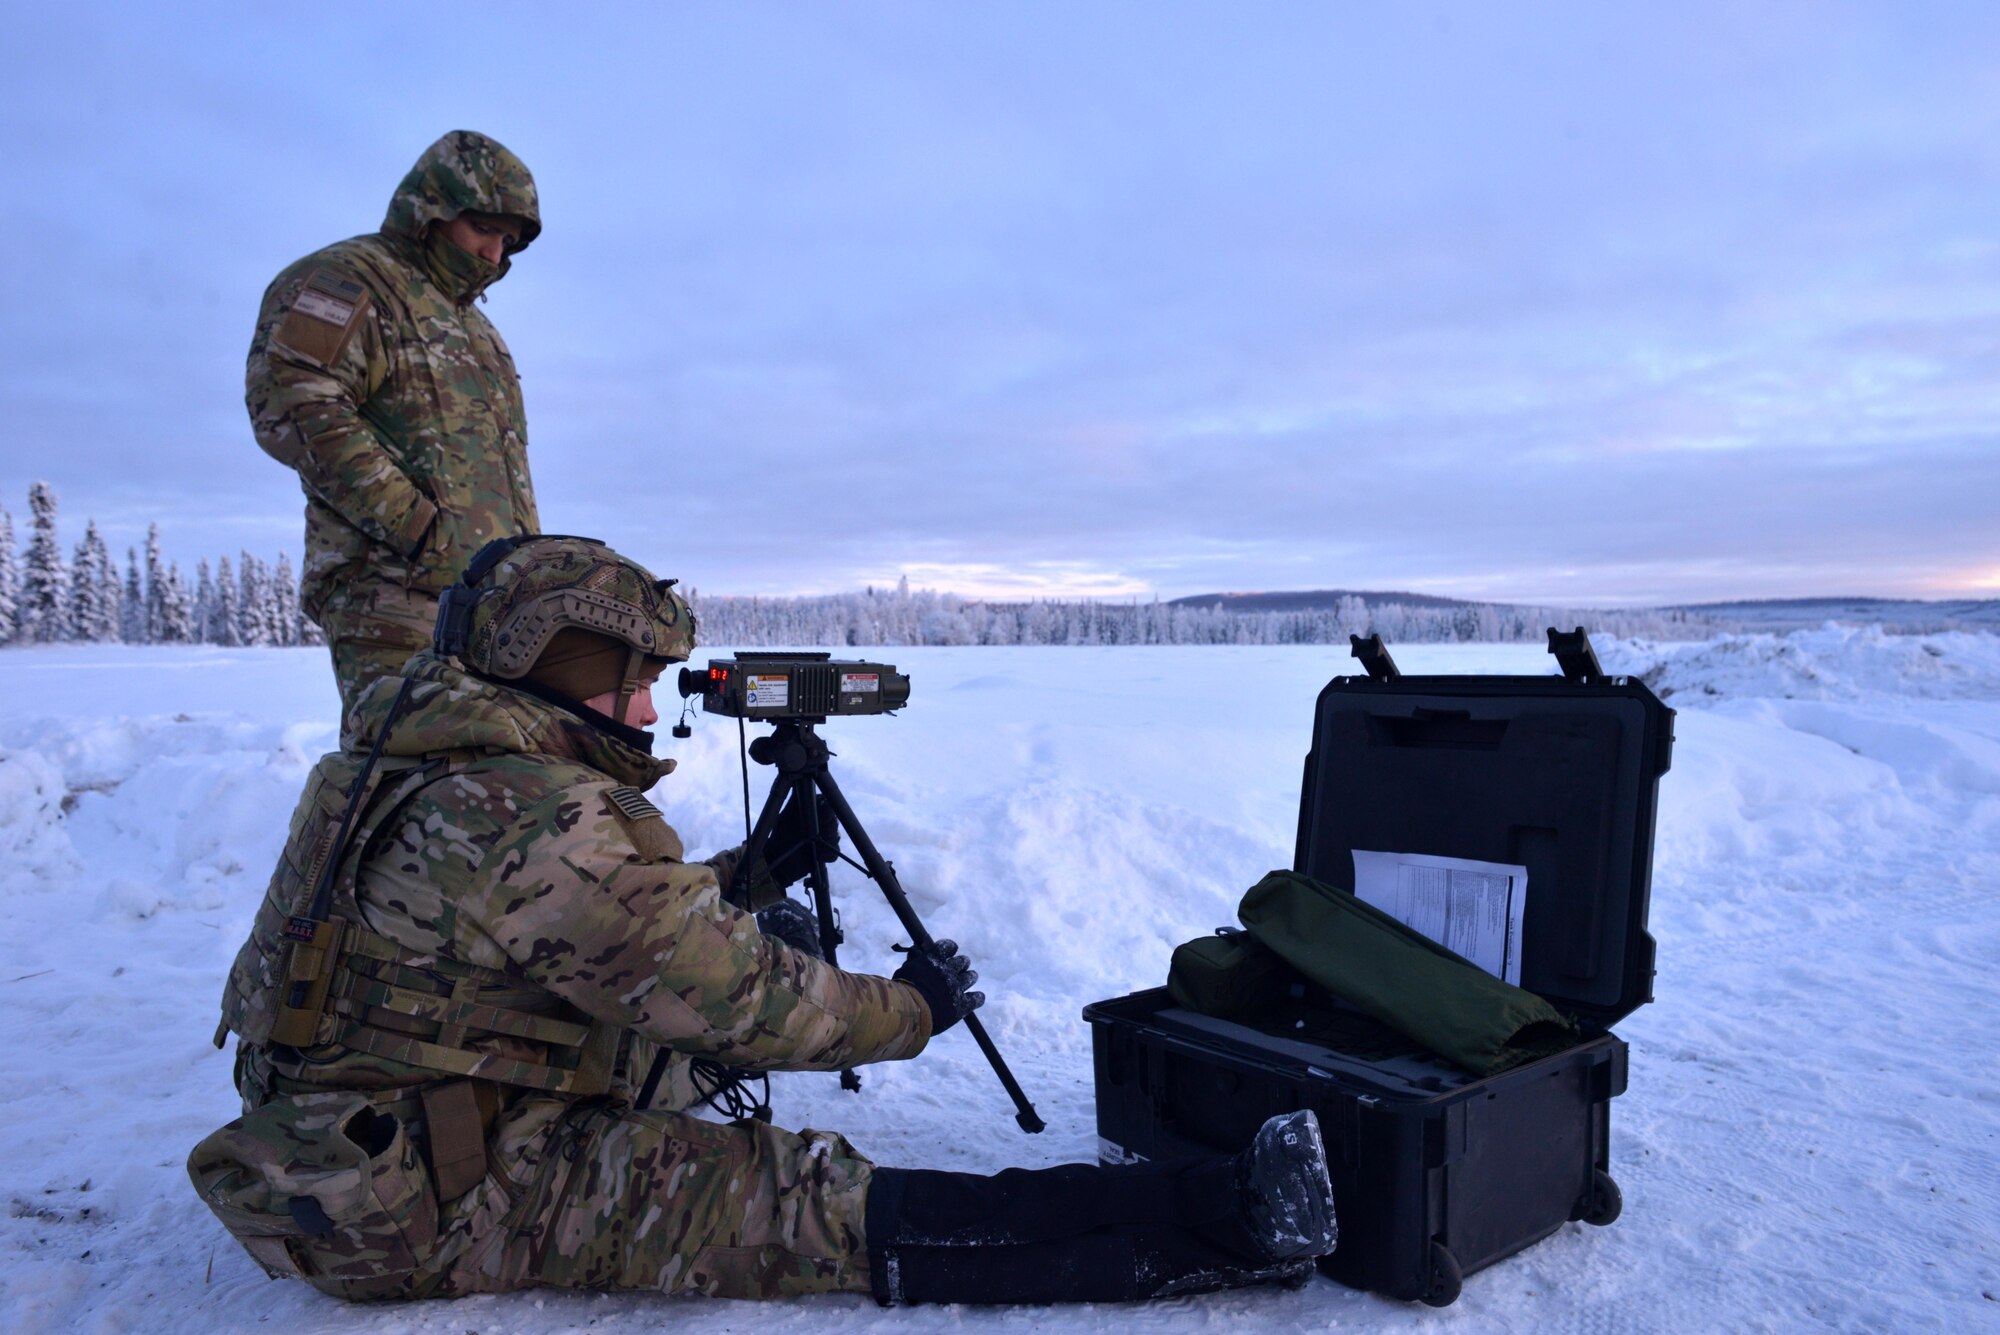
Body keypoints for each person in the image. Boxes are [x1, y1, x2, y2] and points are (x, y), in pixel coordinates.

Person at [189, 535, 1338, 1306]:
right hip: (426, 1194)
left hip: (361, 1117)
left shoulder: (398, 762)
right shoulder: (526, 808)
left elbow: (552, 939)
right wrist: (913, 1011)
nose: (648, 707)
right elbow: (742, 1003)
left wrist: (742, 876)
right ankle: (1217, 1219)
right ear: (555, 666)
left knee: (719, 995)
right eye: (629, 677)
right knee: (805, 1202)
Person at [245, 130, 541, 724]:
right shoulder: (354, 281)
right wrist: (418, 527)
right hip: (393, 595)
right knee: (407, 777)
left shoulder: (477, 331)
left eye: (507, 241)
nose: (493, 255)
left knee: (494, 786)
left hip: (489, 608)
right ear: (432, 208)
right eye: (483, 229)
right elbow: (293, 402)